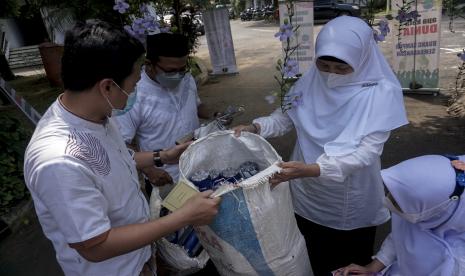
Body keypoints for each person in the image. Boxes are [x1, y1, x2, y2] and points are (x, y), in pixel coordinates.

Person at [23, 20, 220, 276]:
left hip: (140, 259)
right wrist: (184, 217)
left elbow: (116, 159)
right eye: (134, 83)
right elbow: (95, 246)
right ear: (107, 86)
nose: (136, 90)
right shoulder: (59, 161)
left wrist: (162, 156)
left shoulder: (95, 116)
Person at [233, 16, 408, 275]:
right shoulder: (311, 80)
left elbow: (366, 153)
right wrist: (256, 127)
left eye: (341, 68)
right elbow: (285, 117)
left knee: (346, 264)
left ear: (362, 59)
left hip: (350, 199)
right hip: (305, 193)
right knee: (310, 254)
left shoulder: (380, 93)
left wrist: (312, 169)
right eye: (324, 65)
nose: (331, 74)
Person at [116, 32, 215, 198]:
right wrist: (149, 170)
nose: (178, 75)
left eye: (182, 69)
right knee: (175, 221)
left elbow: (196, 105)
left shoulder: (187, 79)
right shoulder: (134, 94)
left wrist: (214, 115)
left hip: (199, 167)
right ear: (149, 65)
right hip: (165, 177)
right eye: (171, 71)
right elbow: (121, 145)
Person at [334, 155, 465, 276]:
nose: (388, 199)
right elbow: (400, 236)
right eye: (391, 193)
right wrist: (372, 268)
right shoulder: (433, 213)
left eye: (398, 201)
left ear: (437, 212)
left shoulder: (457, 266)